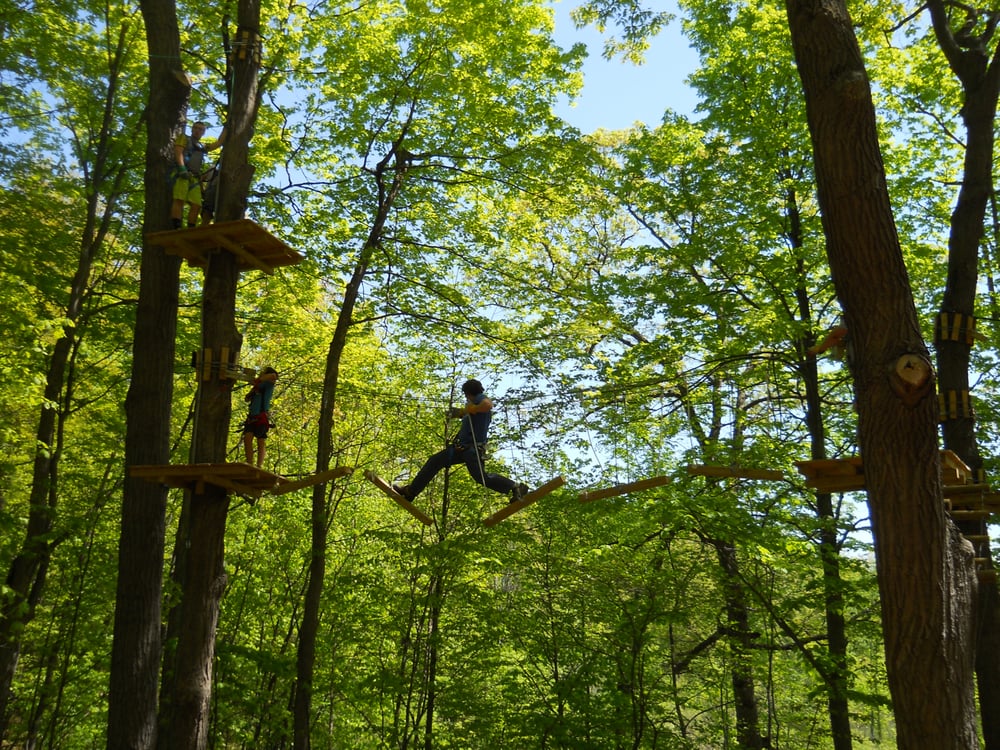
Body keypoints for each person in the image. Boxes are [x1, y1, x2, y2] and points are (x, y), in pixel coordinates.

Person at [394, 379, 528, 504]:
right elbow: (469, 418)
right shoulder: (472, 406)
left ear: (468, 393)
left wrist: (471, 409)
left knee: (482, 477)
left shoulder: (479, 399)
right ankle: (411, 491)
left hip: (472, 449)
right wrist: (460, 413)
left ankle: (515, 487)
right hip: (462, 449)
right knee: (435, 461)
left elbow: (488, 405)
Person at [170, 120, 225, 229]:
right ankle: (176, 226)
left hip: (194, 177)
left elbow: (219, 143)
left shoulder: (202, 146)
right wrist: (182, 168)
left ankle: (191, 228)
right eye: (195, 128)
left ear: (203, 132)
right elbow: (178, 151)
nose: (197, 131)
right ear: (192, 129)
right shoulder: (184, 138)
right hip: (182, 173)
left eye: (200, 129)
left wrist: (226, 127)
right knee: (179, 199)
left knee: (197, 204)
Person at [242, 367, 277, 467]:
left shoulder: (269, 384)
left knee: (260, 441)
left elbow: (273, 375)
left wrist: (258, 379)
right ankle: (250, 463)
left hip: (261, 416)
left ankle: (259, 466)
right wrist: (252, 391)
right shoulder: (258, 386)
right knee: (247, 439)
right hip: (251, 417)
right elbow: (247, 399)